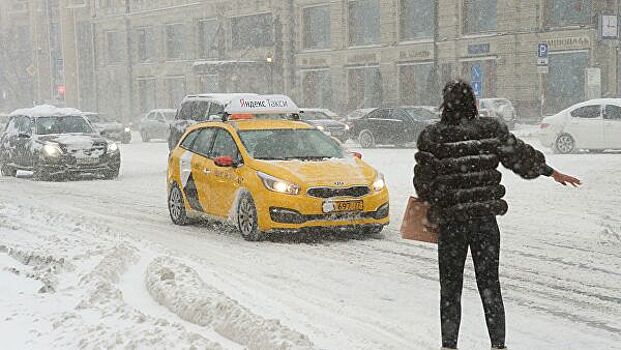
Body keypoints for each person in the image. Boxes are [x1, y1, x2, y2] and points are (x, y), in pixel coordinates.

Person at [413, 80, 581, 350]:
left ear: (445, 103)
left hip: (452, 226)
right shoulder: (490, 131)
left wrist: (442, 199)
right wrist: (550, 172)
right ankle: (498, 345)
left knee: (450, 288)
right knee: (490, 285)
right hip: (484, 224)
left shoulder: (434, 137)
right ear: (473, 103)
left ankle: (449, 345)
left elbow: (423, 184)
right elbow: (520, 156)